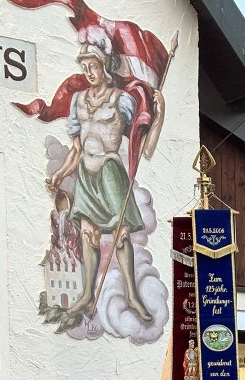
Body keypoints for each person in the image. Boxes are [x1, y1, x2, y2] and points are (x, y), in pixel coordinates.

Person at [46, 34, 163, 322]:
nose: (88, 71)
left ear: (105, 65)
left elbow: (142, 145)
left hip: (110, 171)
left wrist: (159, 117)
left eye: (93, 65)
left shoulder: (121, 100)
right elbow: (76, 148)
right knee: (88, 234)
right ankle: (87, 294)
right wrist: (60, 175)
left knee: (121, 235)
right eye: (84, 65)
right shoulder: (77, 101)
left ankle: (132, 295)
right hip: (86, 172)